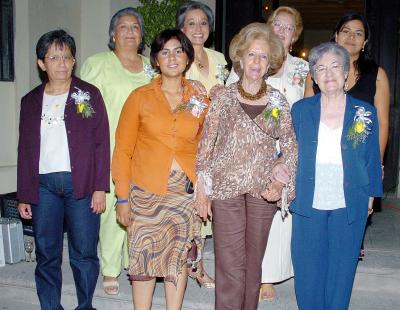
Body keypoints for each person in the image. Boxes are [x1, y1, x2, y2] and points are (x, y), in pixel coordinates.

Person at [195, 23, 297, 310]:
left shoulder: (277, 100)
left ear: (270, 63)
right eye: (251, 55)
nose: (256, 62)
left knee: (254, 265)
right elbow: (206, 145)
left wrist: (279, 184)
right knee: (229, 266)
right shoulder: (224, 97)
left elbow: (290, 146)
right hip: (226, 191)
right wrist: (202, 190)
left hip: (263, 191)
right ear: (240, 59)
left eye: (263, 57)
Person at [112, 28, 208, 310]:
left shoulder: (200, 99)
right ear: (155, 60)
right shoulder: (139, 97)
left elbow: (206, 147)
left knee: (176, 260)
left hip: (184, 195)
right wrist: (122, 197)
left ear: (188, 58)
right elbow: (122, 150)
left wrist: (205, 190)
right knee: (143, 262)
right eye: (165, 51)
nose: (172, 57)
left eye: (179, 50)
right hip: (145, 192)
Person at [17, 29, 110, 310]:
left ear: (74, 61)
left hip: (80, 184)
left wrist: (99, 187)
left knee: (83, 252)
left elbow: (101, 142)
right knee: (47, 253)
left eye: (66, 57)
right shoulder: (30, 101)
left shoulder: (88, 95)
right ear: (41, 63)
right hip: (43, 187)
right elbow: (24, 149)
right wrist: (24, 194)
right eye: (54, 57)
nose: (61, 63)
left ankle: (85, 305)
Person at [291, 42, 382, 310]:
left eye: (335, 67)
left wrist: (371, 198)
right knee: (308, 272)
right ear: (314, 78)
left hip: (350, 200)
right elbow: (286, 152)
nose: (328, 73)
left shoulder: (363, 112)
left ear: (346, 74)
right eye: (320, 68)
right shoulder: (301, 110)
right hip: (308, 200)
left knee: (341, 273)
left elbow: (371, 158)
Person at [226, 6, 308, 301]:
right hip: (250, 152)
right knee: (253, 219)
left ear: (295, 35)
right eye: (278, 24)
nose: (282, 31)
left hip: (287, 146)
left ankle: (270, 274)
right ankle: (257, 276)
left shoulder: (303, 69)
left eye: (289, 27)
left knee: (278, 219)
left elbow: (310, 108)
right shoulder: (253, 59)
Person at [304, 12, 389, 259]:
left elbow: (382, 122)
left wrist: (377, 162)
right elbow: (307, 118)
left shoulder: (377, 74)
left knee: (354, 207)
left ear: (365, 42)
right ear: (336, 35)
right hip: (323, 157)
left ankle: (351, 246)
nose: (351, 37)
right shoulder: (317, 71)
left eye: (358, 33)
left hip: (358, 156)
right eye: (346, 31)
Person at [80, 7, 153, 295]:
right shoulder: (97, 63)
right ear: (113, 34)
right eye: (123, 27)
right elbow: (82, 108)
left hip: (145, 149)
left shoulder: (151, 67)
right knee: (112, 211)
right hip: (108, 147)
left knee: (139, 209)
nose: (130, 32)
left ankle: (132, 261)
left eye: (135, 27)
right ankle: (110, 269)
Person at [176, 0, 228, 288]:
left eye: (203, 23)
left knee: (207, 210)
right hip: (187, 143)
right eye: (191, 23)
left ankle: (197, 265)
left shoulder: (219, 58)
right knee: (189, 208)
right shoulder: (175, 57)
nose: (198, 28)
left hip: (216, 143)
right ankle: (192, 267)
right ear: (182, 28)